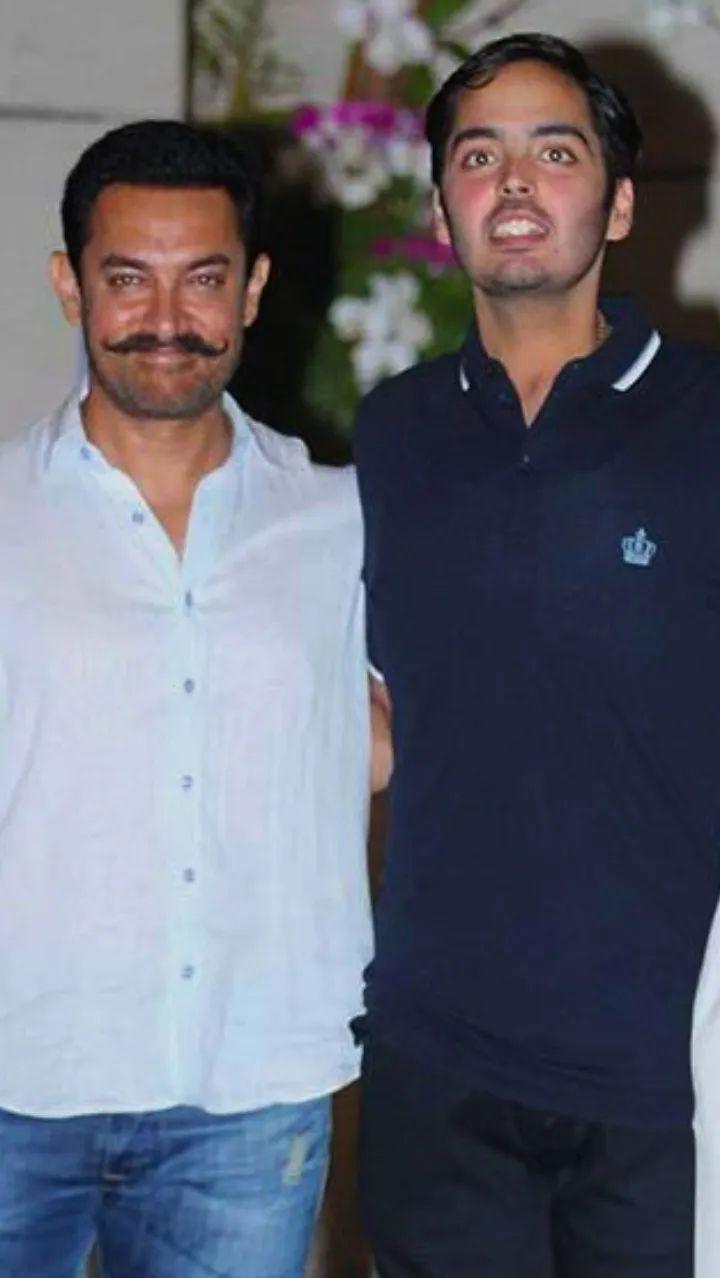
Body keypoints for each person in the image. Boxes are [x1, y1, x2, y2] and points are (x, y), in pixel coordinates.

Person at [354, 32, 720, 1277]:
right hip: (436, 1067)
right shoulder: (393, 434)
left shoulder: (708, 420)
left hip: (664, 1082)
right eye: (478, 157)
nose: (513, 182)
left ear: (619, 204)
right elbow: (382, 711)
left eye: (555, 153)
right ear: (440, 209)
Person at [0, 119, 372, 1278]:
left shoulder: (343, 521)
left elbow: (406, 739)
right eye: (128, 278)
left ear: (252, 290)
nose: (167, 317)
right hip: (16, 1074)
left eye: (203, 279)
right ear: (70, 286)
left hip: (249, 1094)